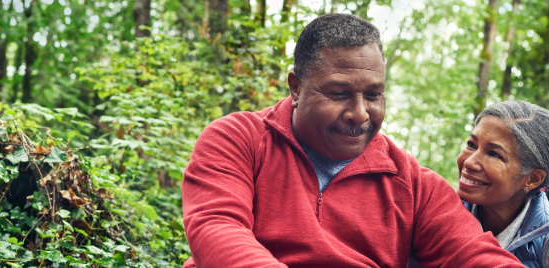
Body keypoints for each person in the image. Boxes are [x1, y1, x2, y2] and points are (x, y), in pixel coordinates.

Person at [179, 13, 524, 267]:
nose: (360, 114)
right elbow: (217, 229)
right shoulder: (238, 139)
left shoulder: (412, 183)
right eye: (339, 93)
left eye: (373, 95)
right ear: (296, 88)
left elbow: (474, 254)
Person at [455, 100, 549, 268]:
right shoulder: (438, 214)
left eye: (494, 154)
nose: (469, 162)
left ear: (533, 178)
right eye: (471, 145)